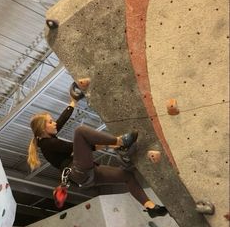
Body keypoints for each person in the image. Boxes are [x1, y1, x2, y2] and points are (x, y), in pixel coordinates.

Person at [27, 88, 168, 219]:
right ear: (43, 128)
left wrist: (73, 101)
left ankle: (150, 207)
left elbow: (61, 121)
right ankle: (120, 141)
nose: (55, 123)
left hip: (88, 176)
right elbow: (78, 147)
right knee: (80, 131)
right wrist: (113, 143)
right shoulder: (48, 144)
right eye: (50, 122)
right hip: (78, 171)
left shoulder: (46, 138)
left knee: (128, 177)